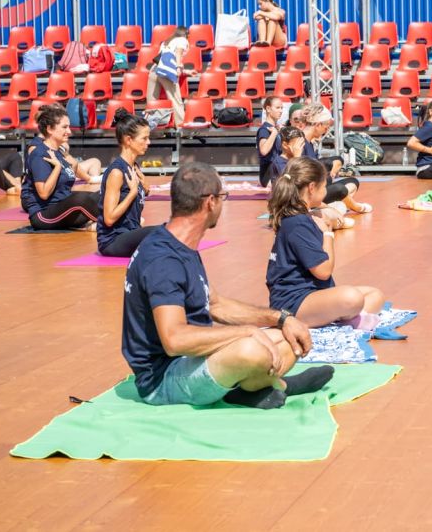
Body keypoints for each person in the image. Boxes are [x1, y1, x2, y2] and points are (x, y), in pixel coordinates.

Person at [122, 161, 331, 410]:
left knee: (288, 337)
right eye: (223, 196)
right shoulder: (164, 260)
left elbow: (215, 304)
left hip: (192, 359)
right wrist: (247, 331)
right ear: (210, 202)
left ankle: (245, 389)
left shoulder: (179, 242)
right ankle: (279, 385)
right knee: (251, 350)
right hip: (164, 379)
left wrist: (282, 318)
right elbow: (174, 339)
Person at [266, 156, 385, 328]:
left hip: (313, 294)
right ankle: (347, 319)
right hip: (293, 303)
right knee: (352, 298)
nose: (325, 191)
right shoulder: (298, 223)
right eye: (324, 186)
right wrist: (328, 234)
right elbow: (323, 271)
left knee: (375, 295)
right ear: (312, 188)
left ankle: (345, 319)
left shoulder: (300, 217)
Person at [21, 104, 100, 230]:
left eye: (69, 127)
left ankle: (116, 220)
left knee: (100, 194)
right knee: (80, 198)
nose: (69, 131)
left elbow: (72, 170)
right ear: (49, 129)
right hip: (43, 215)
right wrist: (57, 167)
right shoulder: (39, 154)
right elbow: (44, 194)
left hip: (64, 208)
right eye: (64, 127)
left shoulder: (59, 152)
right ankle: (110, 224)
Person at [97, 111, 156, 257]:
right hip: (112, 241)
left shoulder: (134, 167)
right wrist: (132, 193)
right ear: (128, 140)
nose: (149, 142)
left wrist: (145, 190)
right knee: (163, 231)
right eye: (144, 138)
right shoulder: (117, 172)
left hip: (130, 233)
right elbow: (109, 219)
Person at [299, 103, 371, 215]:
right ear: (318, 124)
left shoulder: (310, 142)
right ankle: (356, 207)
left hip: (316, 188)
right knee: (340, 189)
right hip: (307, 193)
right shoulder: (299, 142)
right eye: (326, 126)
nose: (326, 129)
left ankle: (333, 206)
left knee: (352, 182)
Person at [149, 25, 190, 126]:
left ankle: (150, 126)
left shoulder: (166, 41)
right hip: (167, 71)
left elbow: (161, 57)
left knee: (152, 101)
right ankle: (180, 127)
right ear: (186, 34)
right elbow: (178, 53)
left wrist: (185, 71)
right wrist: (178, 67)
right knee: (176, 100)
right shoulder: (182, 40)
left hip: (154, 70)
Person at [257, 96, 285, 187]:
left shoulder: (276, 128)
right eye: (277, 108)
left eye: (281, 108)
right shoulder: (264, 129)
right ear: (268, 109)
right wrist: (274, 134)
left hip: (278, 170)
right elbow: (264, 150)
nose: (281, 111)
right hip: (269, 175)